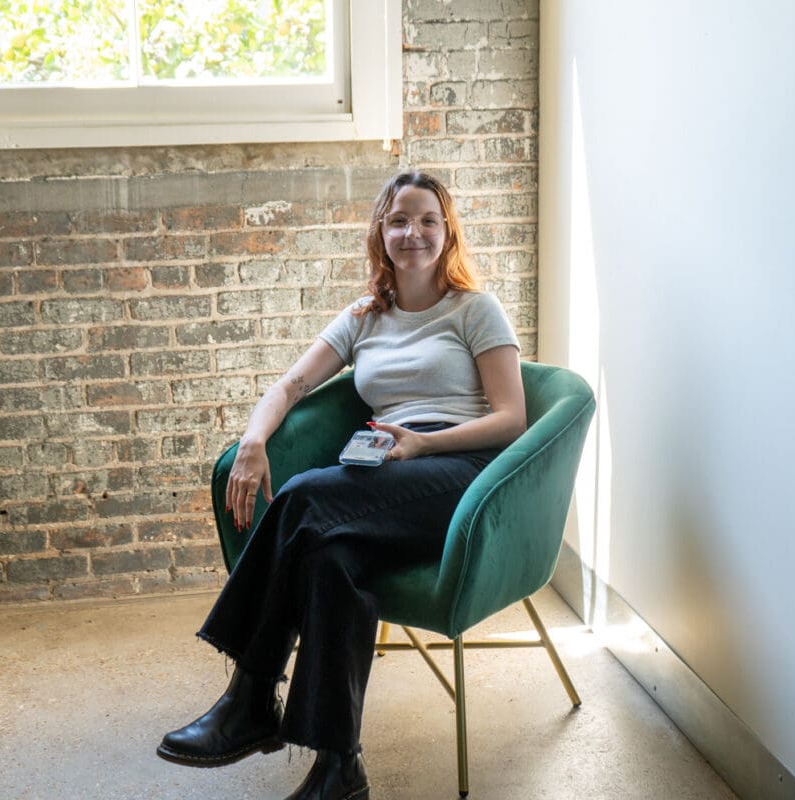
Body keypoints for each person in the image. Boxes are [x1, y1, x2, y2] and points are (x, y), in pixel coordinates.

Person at [155, 170, 526, 800]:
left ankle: (250, 695)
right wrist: (252, 443)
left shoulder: (474, 308)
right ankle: (339, 767)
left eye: (428, 220)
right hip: (384, 474)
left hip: (456, 476)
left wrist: (422, 444)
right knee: (333, 559)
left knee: (301, 495)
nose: (414, 232)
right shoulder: (364, 316)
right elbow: (290, 387)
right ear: (381, 232)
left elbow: (511, 419)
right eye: (400, 219)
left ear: (447, 231)